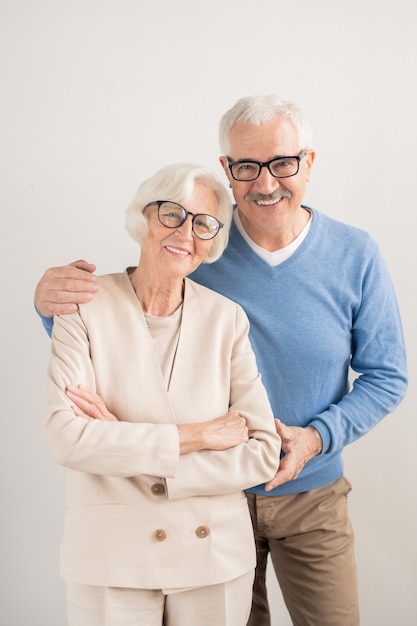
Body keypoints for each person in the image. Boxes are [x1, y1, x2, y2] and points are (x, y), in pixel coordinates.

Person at [35, 96, 408, 626]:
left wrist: (316, 437)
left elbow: (388, 375)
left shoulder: (355, 253)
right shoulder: (197, 243)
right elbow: (125, 325)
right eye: (247, 166)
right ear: (227, 170)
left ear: (309, 162)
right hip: (209, 500)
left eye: (282, 163)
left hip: (313, 495)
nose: (265, 182)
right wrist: (51, 304)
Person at [42, 162, 281, 626]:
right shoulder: (83, 306)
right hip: (112, 559)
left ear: (212, 240)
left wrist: (124, 441)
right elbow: (66, 438)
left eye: (203, 223)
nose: (186, 232)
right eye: (172, 213)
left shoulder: (227, 319)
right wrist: (196, 436)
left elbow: (262, 453)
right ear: (144, 217)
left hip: (213, 560)